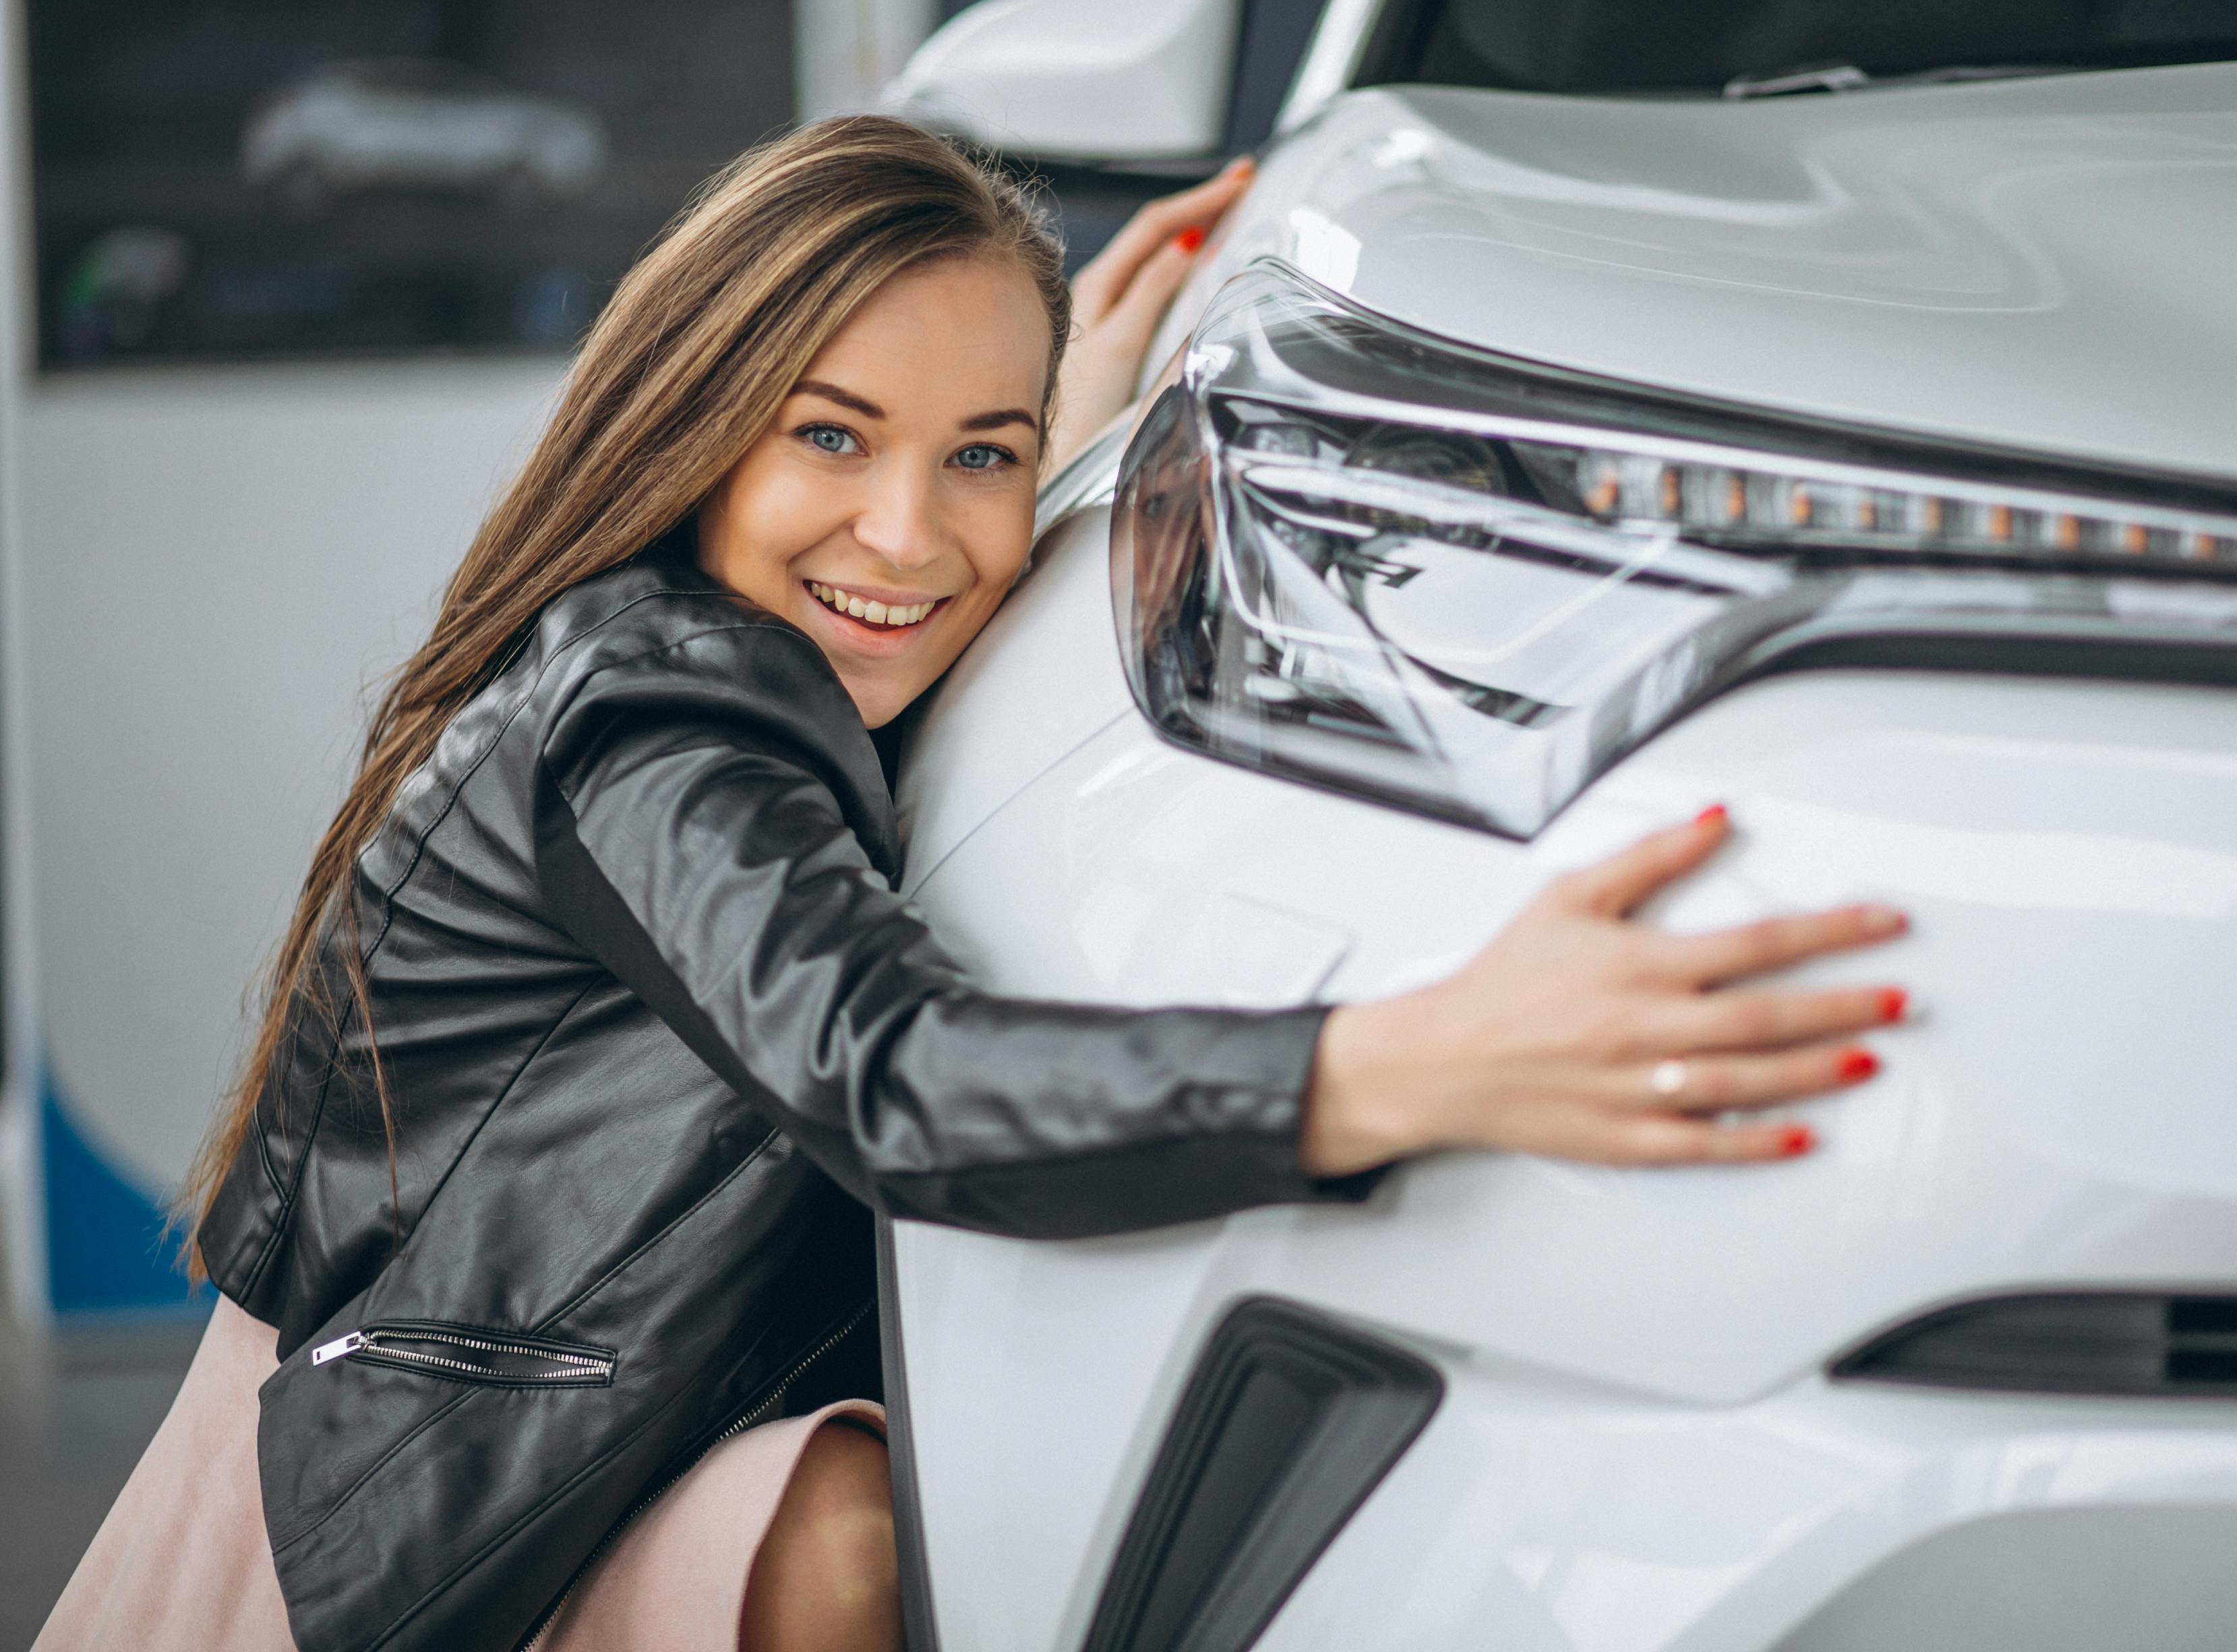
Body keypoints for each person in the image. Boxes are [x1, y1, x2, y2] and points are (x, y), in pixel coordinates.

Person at [36, 117, 1910, 1652]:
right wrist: (1420, 1063)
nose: (911, 533)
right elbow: (896, 1075)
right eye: (832, 435)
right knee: (842, 1530)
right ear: (696, 419)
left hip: (444, 1436)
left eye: (981, 458)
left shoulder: (701, 646)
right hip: (367, 1515)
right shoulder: (659, 718)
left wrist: (1065, 422)